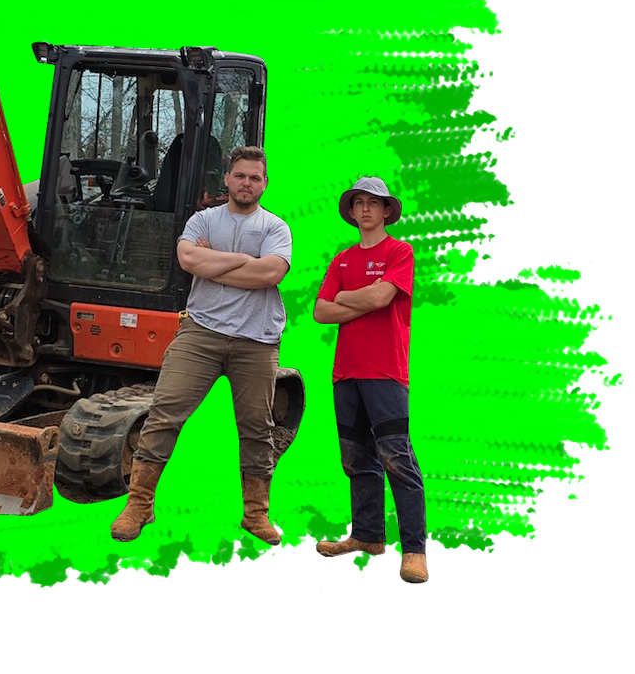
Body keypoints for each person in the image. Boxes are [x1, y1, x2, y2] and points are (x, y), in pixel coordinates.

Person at [112, 146, 291, 543]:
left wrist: (217, 262)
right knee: (164, 414)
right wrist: (244, 261)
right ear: (226, 179)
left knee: (256, 428)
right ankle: (139, 505)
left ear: (264, 184)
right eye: (240, 175)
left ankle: (256, 515)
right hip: (202, 332)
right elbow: (188, 260)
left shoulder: (276, 228)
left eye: (255, 178)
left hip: (256, 340)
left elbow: (271, 272)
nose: (247, 183)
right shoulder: (203, 219)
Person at [313, 177, 428, 585]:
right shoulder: (341, 258)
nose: (365, 210)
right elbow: (321, 312)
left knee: (396, 458)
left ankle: (415, 550)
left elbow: (382, 299)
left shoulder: (400, 251)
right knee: (356, 459)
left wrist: (346, 298)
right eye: (358, 203)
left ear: (385, 212)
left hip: (385, 370)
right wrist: (363, 296)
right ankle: (366, 536)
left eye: (373, 203)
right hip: (345, 371)